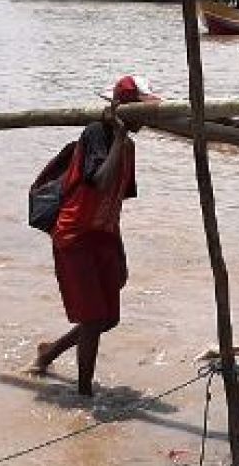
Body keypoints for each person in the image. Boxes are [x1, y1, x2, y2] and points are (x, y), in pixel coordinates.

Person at [26, 75, 160, 396]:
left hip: (103, 235)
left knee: (107, 319)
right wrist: (118, 138)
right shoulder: (96, 134)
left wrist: (120, 250)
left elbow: (115, 200)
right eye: (141, 110)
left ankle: (50, 352)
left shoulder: (127, 146)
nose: (148, 118)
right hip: (76, 236)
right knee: (93, 318)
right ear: (122, 109)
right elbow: (99, 181)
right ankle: (84, 394)